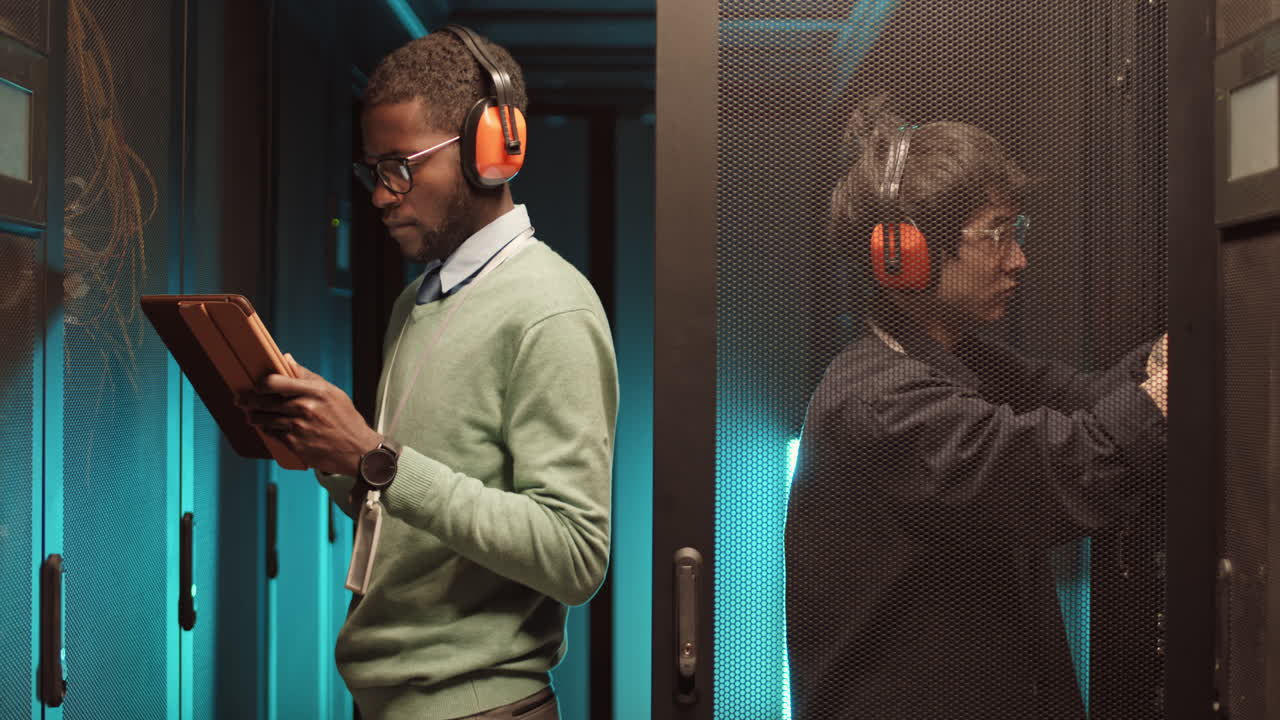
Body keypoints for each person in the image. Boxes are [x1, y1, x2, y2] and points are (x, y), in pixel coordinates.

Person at [237, 25, 617, 720]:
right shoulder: (419, 300)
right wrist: (330, 450)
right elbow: (409, 514)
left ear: (490, 154)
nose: (382, 195)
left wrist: (377, 460)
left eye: (400, 167)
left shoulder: (552, 309)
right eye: (373, 171)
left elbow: (574, 553)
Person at [784, 98, 1168, 720]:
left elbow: (1087, 400)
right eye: (995, 235)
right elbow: (1057, 474)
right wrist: (1165, 395)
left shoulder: (959, 361)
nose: (1017, 260)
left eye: (1017, 234)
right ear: (905, 254)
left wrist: (1172, 355)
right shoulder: (881, 403)